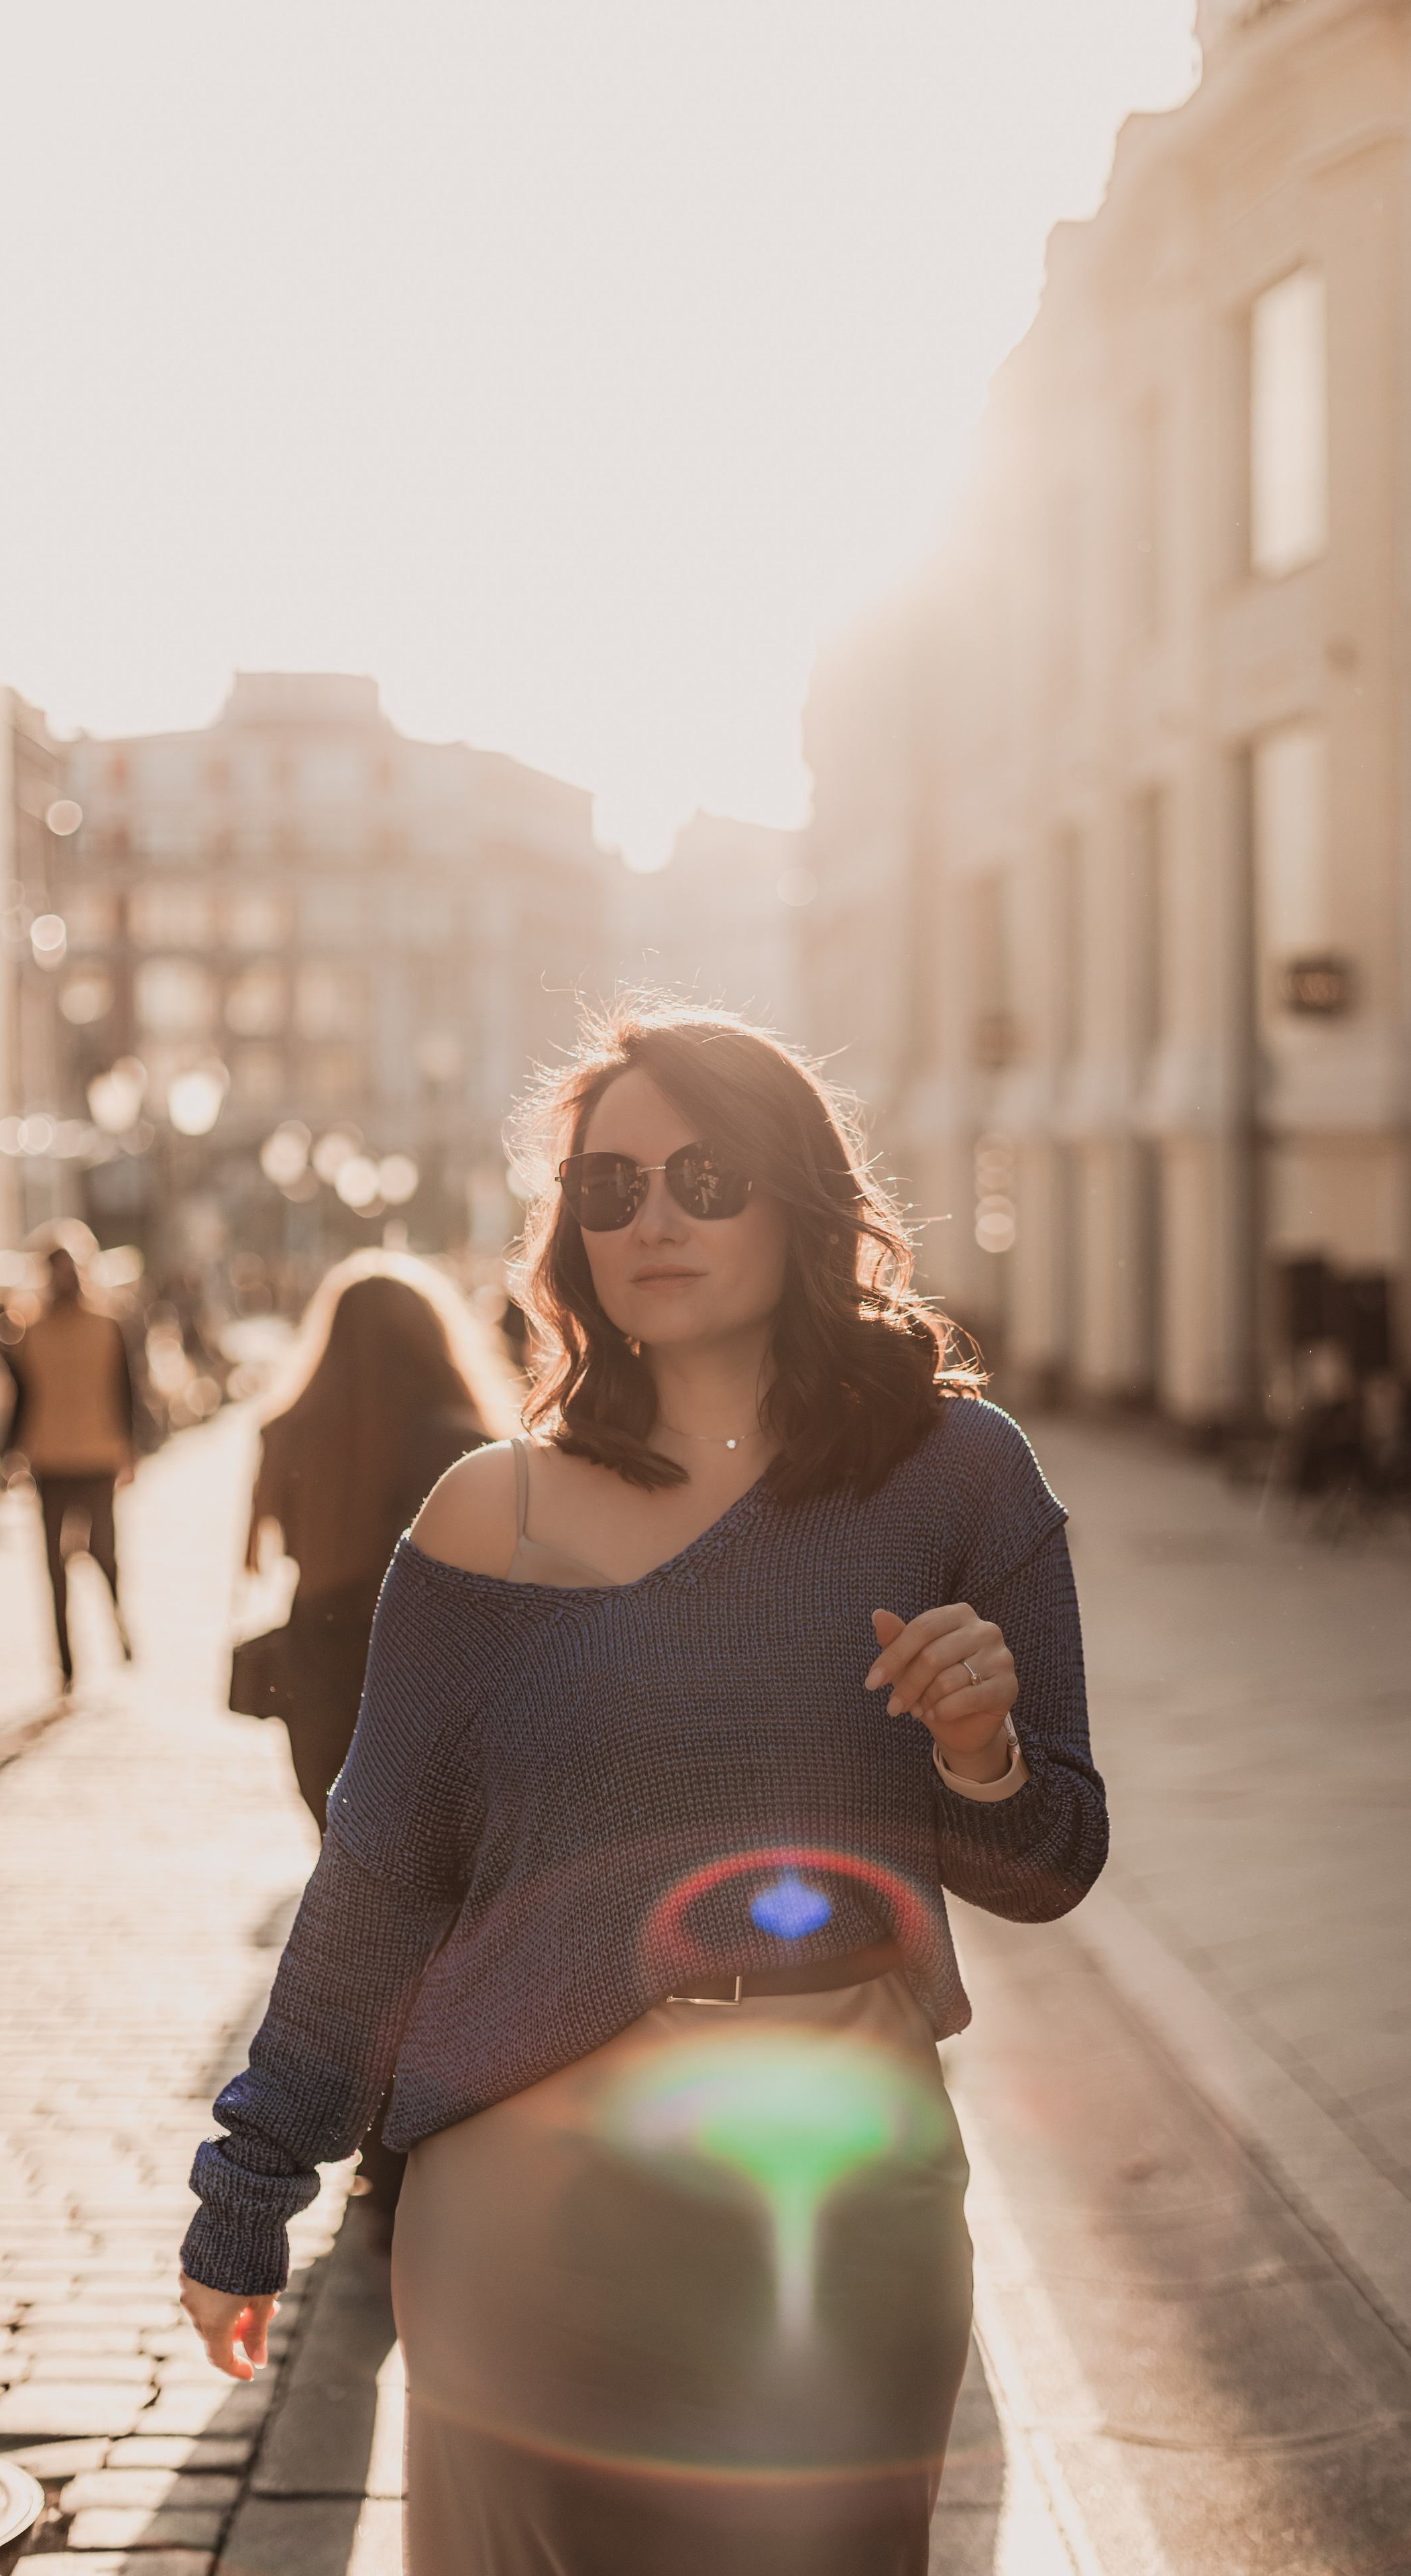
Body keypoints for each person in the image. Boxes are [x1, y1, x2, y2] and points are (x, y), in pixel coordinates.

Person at [179, 1002, 1109, 2575]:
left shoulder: (959, 1476)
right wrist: (251, 2182)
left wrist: (980, 1755)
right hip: (523, 2213)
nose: (651, 1218)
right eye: (608, 1188)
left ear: (800, 1198)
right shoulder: (491, 1510)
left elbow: (1052, 1854)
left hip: (839, 2183)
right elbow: (382, 1873)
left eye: (702, 1174)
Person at [243, 1250, 514, 1834]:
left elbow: (283, 1549)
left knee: (340, 1855)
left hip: (319, 1666)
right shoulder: (469, 1445)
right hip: (435, 1687)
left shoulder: (289, 1433)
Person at [5, 1231, 137, 1693]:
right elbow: (22, 1397)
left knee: (104, 1553)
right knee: (53, 1567)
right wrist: (11, 1454)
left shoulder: (107, 1325)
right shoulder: (31, 1332)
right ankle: (66, 1664)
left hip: (98, 1455)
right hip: (51, 1459)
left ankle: (119, 1624)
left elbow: (126, 1389)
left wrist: (130, 1448)